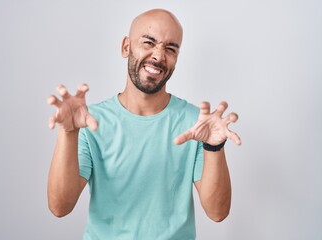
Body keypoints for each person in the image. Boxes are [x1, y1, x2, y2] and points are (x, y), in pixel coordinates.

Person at [47, 8, 241, 240]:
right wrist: (69, 133)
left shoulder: (196, 125)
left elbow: (217, 212)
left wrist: (214, 148)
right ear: (126, 47)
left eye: (170, 48)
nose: (159, 56)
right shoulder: (90, 122)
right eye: (149, 42)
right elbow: (60, 207)